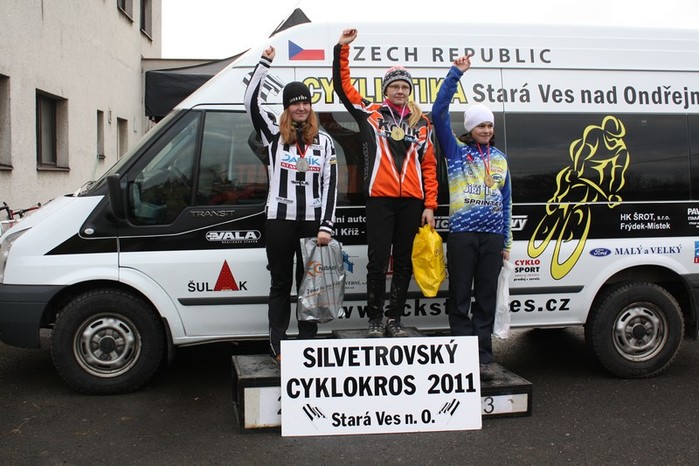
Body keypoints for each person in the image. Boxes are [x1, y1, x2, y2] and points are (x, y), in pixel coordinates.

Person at [333, 29, 438, 338]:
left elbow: (429, 166)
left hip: (412, 203)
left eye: (405, 86)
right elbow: (343, 87)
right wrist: (342, 49)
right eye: (395, 86)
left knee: (403, 262)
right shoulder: (370, 113)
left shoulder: (421, 122)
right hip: (379, 199)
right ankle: (375, 320)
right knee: (377, 262)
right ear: (386, 90)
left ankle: (395, 320)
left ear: (410, 91)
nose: (400, 91)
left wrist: (430, 205)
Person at [244, 46, 338, 363]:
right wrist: (264, 62)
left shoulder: (324, 142)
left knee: (309, 285)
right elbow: (250, 101)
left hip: (313, 223)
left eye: (305, 102)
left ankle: (307, 343)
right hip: (279, 219)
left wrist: (326, 226)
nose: (301, 107)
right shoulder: (273, 134)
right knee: (281, 283)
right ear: (287, 107)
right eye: (295, 102)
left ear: (311, 107)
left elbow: (330, 185)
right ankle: (279, 344)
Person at [431, 54, 512, 381]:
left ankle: (483, 356)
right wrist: (456, 73)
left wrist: (506, 242)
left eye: (489, 125)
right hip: (463, 234)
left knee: (486, 299)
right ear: (470, 128)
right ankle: (462, 354)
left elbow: (507, 202)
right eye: (481, 125)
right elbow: (438, 113)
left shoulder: (500, 158)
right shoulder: (456, 152)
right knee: (460, 296)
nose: (486, 130)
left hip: (492, 239)